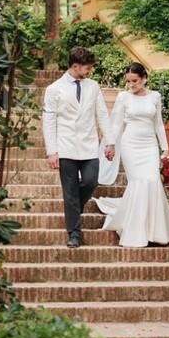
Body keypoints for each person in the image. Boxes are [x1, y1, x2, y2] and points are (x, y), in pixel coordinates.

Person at [93, 62, 169, 247]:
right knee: (139, 182)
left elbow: (158, 124)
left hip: (149, 146)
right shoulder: (123, 97)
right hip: (130, 145)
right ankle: (136, 231)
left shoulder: (155, 96)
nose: (131, 84)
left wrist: (165, 149)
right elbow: (116, 124)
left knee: (152, 181)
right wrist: (111, 144)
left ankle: (155, 231)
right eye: (129, 81)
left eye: (135, 81)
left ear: (144, 78)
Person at [42, 46, 112, 248]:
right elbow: (49, 121)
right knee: (70, 191)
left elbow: (102, 114)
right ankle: (74, 232)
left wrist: (110, 141)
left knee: (91, 181)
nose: (89, 70)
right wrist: (52, 151)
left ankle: (73, 209)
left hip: (89, 146)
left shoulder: (93, 86)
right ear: (75, 66)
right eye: (86, 67)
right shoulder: (54, 89)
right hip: (65, 148)